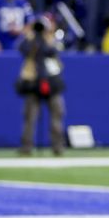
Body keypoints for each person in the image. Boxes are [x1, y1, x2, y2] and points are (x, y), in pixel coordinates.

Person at [16, 16, 66, 156]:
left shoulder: (51, 39)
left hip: (51, 81)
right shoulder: (29, 41)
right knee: (30, 116)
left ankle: (58, 146)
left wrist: (49, 34)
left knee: (57, 114)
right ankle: (26, 146)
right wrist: (29, 34)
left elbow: (53, 51)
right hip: (33, 81)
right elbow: (22, 48)